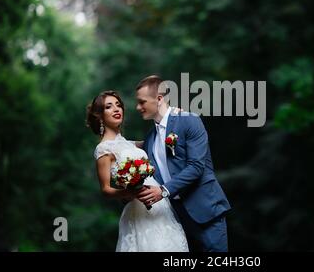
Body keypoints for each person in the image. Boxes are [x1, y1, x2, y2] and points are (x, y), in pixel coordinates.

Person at [135, 75, 231, 252]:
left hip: (205, 211)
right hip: (176, 219)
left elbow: (196, 167)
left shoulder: (189, 120)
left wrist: (162, 191)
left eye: (142, 102)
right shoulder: (150, 138)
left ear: (159, 98)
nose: (138, 107)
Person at [86, 90, 189, 252]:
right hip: (139, 209)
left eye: (118, 105)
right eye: (109, 106)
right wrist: (131, 192)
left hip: (159, 203)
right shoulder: (103, 150)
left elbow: (159, 138)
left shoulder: (129, 144)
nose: (116, 109)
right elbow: (105, 190)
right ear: (99, 115)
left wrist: (174, 117)